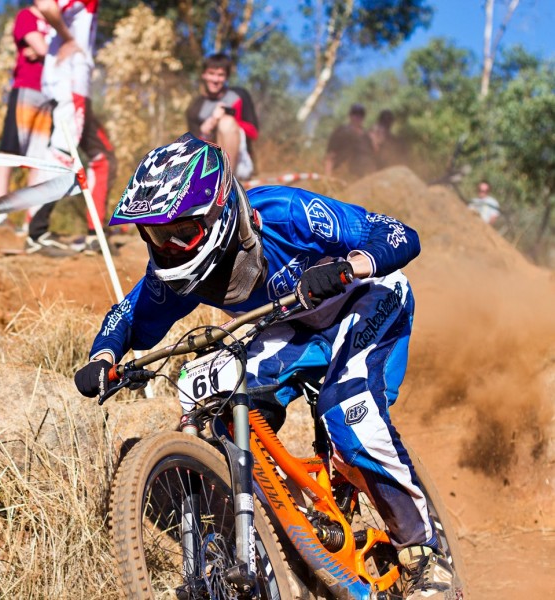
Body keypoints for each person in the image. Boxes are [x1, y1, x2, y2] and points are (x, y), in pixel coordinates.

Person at [74, 133, 456, 600]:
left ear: (219, 212)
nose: (170, 248)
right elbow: (130, 315)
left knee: (349, 411)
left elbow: (397, 234)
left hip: (366, 301)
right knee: (202, 389)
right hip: (292, 326)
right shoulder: (174, 270)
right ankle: (271, 534)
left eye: (181, 233)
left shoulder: (285, 213)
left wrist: (350, 267)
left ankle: (424, 554)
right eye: (156, 236)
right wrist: (104, 356)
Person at [24, 0, 117, 255]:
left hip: (68, 80)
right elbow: (45, 6)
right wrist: (68, 39)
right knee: (62, 153)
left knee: (101, 156)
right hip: (71, 80)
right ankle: (36, 232)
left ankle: (94, 234)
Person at [0, 3, 52, 228]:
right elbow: (45, 49)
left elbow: (46, 49)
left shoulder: (55, 20)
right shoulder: (26, 16)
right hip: (26, 91)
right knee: (9, 151)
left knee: (40, 159)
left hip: (50, 95)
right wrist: (43, 49)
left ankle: (30, 220)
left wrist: (42, 49)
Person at [185, 53, 259, 181]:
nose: (215, 79)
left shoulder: (239, 95)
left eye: (221, 75)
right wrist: (206, 130)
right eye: (211, 73)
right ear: (204, 75)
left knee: (227, 123)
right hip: (208, 165)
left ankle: (228, 183)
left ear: (226, 77)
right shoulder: (195, 108)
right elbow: (193, 150)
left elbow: (254, 133)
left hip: (240, 163)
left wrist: (224, 119)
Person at [325, 103, 376, 179]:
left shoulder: (366, 137)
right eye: (355, 113)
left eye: (361, 115)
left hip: (361, 178)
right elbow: (330, 156)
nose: (358, 117)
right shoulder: (340, 132)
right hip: (340, 176)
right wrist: (328, 176)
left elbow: (371, 159)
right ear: (350, 115)